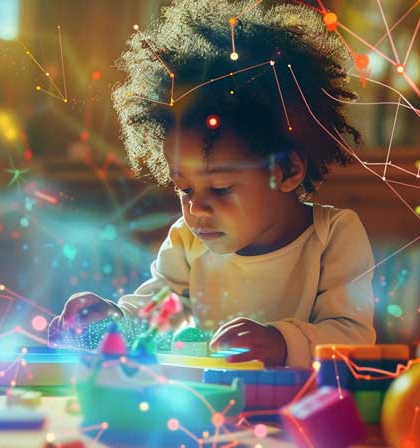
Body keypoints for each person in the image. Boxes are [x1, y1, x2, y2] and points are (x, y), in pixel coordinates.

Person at [49, 0, 375, 367]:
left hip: (297, 413)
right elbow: (155, 314)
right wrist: (110, 322)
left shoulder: (332, 237)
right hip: (203, 413)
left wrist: (282, 342)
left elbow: (354, 336)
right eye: (185, 190)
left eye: (219, 188)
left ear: (286, 171)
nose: (197, 209)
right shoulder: (187, 242)